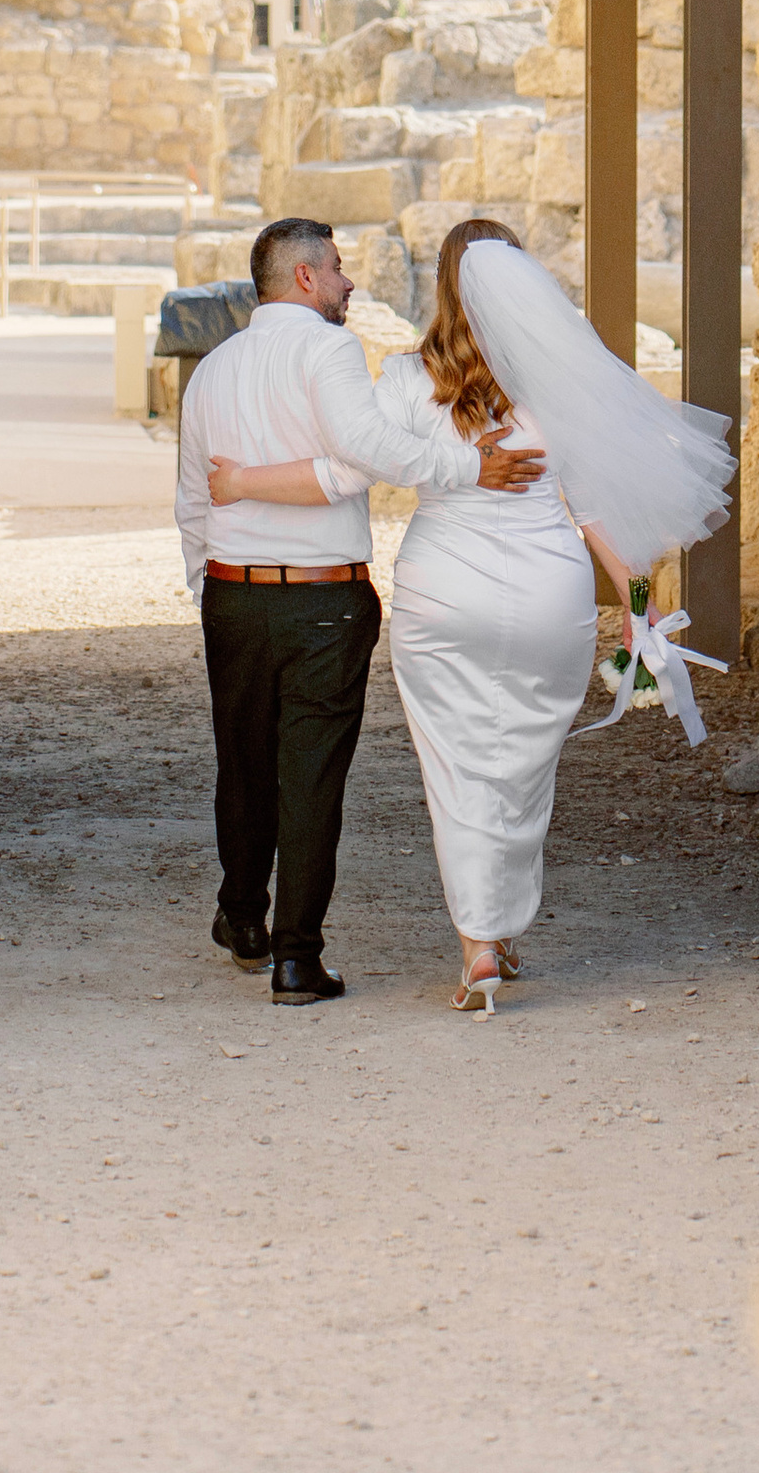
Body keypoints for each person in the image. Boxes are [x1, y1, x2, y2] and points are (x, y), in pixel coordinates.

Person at [206, 217, 734, 1013]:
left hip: (443, 593)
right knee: (521, 766)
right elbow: (600, 518)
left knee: (457, 773)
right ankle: (502, 932)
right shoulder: (558, 386)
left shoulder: (407, 379)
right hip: (548, 596)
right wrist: (638, 613)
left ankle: (478, 947)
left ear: (447, 287)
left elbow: (345, 470)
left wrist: (244, 480)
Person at [174, 215, 548, 1006]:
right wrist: (464, 466)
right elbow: (364, 453)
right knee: (309, 776)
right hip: (321, 596)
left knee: (241, 762)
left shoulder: (211, 369)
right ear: (306, 277)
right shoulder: (331, 349)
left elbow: (188, 500)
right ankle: (295, 961)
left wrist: (209, 586)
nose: (350, 284)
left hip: (232, 592)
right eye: (339, 270)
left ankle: (243, 918)